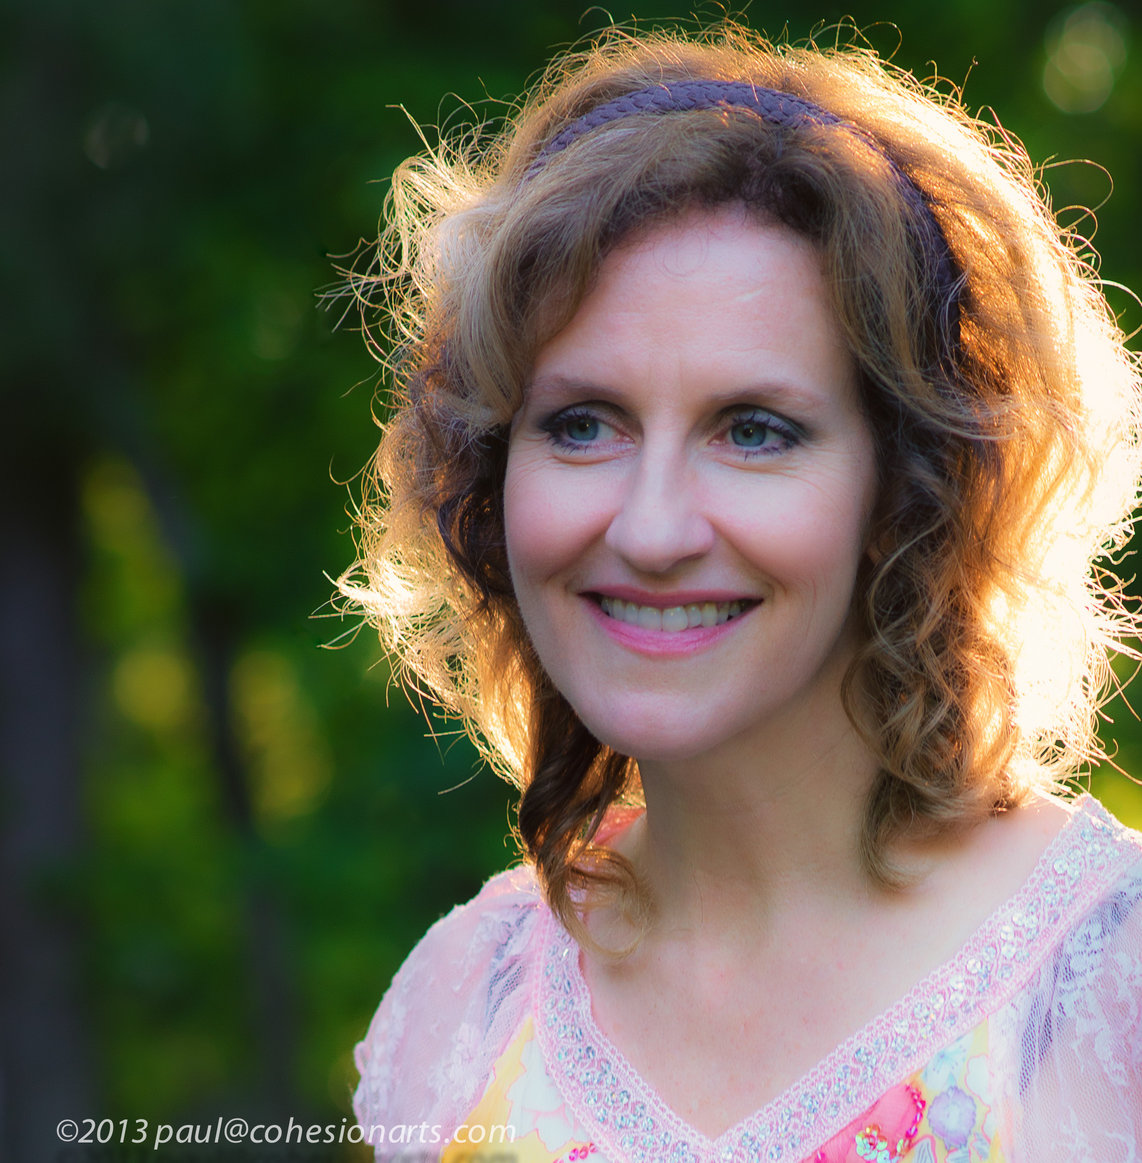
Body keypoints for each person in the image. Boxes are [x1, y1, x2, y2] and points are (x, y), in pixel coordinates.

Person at [340, 22, 1142, 1162]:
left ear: (912, 489)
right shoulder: (463, 1007)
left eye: (753, 431)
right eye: (581, 424)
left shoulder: (1108, 984)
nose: (652, 527)